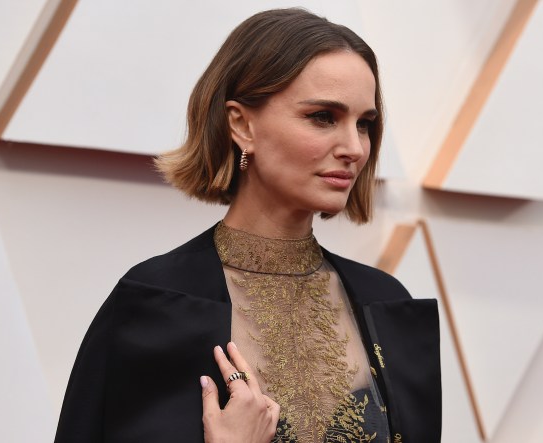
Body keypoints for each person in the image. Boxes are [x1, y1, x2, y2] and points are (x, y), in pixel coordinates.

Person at [54, 8, 441, 443]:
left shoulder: (386, 303)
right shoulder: (156, 302)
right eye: (323, 117)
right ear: (241, 124)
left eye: (365, 124)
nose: (354, 147)